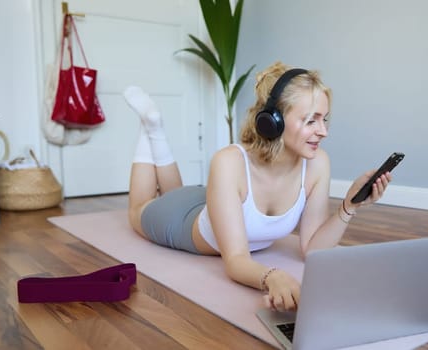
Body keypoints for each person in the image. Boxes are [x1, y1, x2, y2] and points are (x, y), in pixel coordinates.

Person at [124, 62, 392, 312]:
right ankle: (152, 127)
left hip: (210, 203)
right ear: (273, 120)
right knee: (138, 209)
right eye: (311, 120)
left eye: (325, 119)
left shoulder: (317, 163)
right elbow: (236, 259)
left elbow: (313, 249)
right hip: (181, 221)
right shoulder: (229, 161)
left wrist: (350, 205)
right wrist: (271, 276)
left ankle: (153, 127)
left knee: (173, 191)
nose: (323, 131)